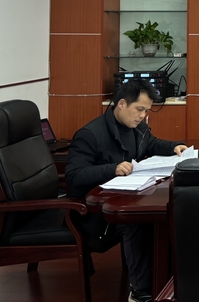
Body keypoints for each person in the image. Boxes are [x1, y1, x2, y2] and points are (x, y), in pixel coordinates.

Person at [65, 79, 187, 302]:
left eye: (146, 111)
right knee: (136, 222)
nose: (143, 116)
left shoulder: (137, 127)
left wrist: (173, 147)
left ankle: (166, 281)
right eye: (139, 109)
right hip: (93, 214)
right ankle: (141, 292)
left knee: (163, 217)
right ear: (121, 104)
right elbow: (73, 176)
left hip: (123, 198)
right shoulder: (90, 134)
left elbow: (152, 143)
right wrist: (112, 169)